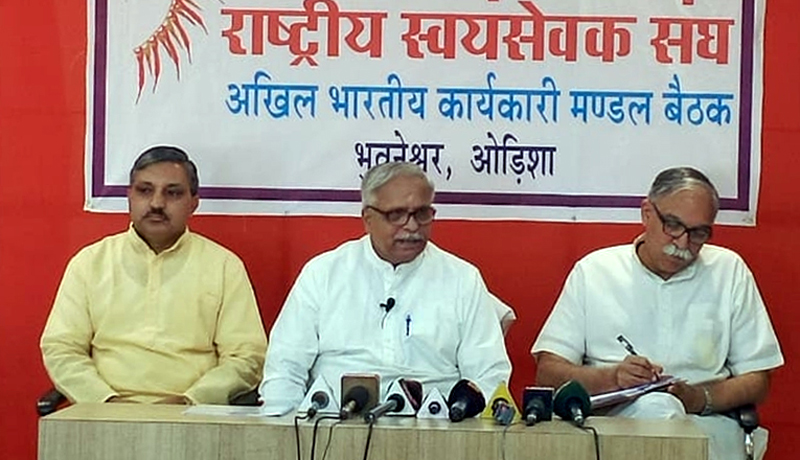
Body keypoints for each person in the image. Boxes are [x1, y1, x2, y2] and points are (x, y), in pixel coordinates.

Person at [532, 167, 783, 460]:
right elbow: (547, 374)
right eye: (673, 226)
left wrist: (699, 399)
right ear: (647, 213)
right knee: (655, 410)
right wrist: (612, 377)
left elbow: (758, 379)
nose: (683, 244)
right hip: (613, 426)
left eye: (699, 233)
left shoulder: (728, 271)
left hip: (704, 427)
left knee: (665, 412)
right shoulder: (595, 271)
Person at [259, 162, 512, 415]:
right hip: (332, 428)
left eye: (422, 214)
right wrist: (286, 433)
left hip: (435, 429)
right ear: (368, 218)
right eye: (397, 215)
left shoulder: (462, 279)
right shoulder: (324, 273)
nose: (412, 226)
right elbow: (284, 370)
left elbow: (488, 378)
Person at [41, 146, 267, 405]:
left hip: (193, 417)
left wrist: (191, 400)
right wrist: (106, 401)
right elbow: (61, 348)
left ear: (194, 202)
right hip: (102, 414)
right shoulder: (91, 262)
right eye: (145, 190)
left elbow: (247, 356)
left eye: (173, 193)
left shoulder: (223, 266)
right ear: (129, 196)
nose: (157, 203)